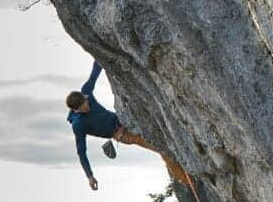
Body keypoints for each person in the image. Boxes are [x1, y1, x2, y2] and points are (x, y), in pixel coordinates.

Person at [66, 60, 191, 190]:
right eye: (83, 109)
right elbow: (81, 152)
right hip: (122, 135)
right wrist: (90, 176)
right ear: (76, 110)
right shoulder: (78, 124)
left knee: (161, 132)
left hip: (124, 118)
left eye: (86, 103)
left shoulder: (86, 92)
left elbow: (95, 72)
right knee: (161, 147)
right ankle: (186, 180)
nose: (87, 107)